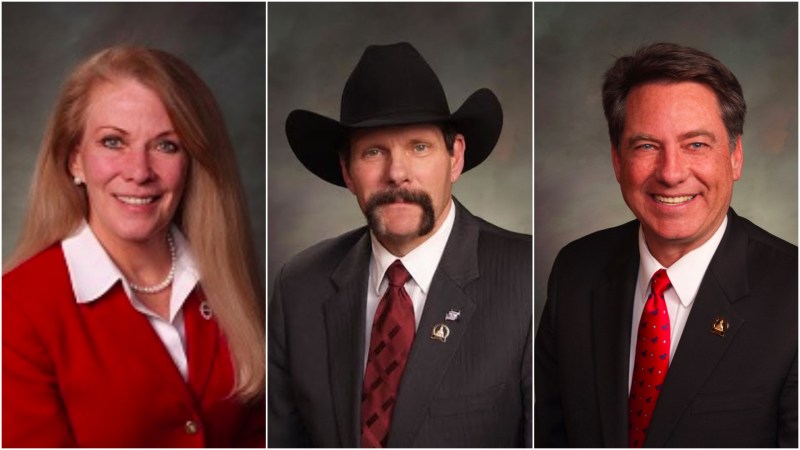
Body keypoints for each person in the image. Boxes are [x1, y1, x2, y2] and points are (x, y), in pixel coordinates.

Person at [268, 42, 532, 447]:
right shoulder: (299, 286)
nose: (397, 173)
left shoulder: (527, 278)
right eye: (373, 152)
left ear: (455, 157)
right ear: (347, 170)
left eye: (419, 147)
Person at [535, 42, 798, 447]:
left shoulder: (791, 291)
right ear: (617, 162)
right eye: (646, 146)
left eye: (696, 144)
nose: (671, 173)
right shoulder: (575, 271)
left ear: (735, 157)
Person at [2, 46, 265, 447]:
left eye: (166, 145)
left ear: (192, 162)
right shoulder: (18, 308)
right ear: (75, 160)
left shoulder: (225, 281)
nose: (139, 172)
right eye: (113, 142)